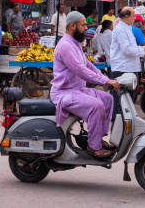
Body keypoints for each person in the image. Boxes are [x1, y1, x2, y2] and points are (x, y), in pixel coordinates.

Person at [50, 11, 119, 159]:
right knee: (96, 106)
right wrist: (105, 81)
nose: (86, 27)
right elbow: (80, 70)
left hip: (78, 90)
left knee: (107, 99)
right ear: (72, 26)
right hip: (64, 92)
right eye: (83, 25)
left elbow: (88, 64)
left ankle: (98, 138)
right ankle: (93, 147)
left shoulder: (75, 43)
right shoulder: (66, 46)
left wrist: (104, 77)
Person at [110, 7, 145, 79]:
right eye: (133, 16)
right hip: (123, 68)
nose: (134, 18)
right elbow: (128, 50)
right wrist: (143, 50)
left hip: (129, 67)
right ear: (126, 16)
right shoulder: (120, 29)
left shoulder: (128, 28)